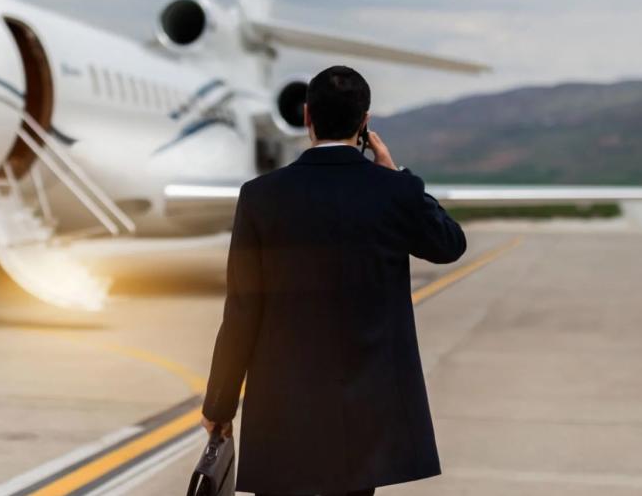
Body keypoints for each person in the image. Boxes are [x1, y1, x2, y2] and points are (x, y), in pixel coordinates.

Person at [200, 65, 467, 496]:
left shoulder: (260, 196)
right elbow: (449, 244)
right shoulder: (394, 192)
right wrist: (397, 177)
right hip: (364, 424)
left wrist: (220, 404)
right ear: (365, 123)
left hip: (284, 416)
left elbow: (243, 309)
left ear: (307, 117)